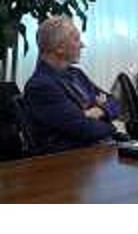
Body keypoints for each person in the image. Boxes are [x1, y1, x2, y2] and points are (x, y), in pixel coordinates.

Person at [23, 16, 120, 156]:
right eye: (76, 39)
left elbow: (115, 102)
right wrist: (110, 124)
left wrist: (98, 111)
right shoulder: (40, 86)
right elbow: (86, 129)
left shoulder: (76, 74)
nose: (82, 45)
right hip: (70, 161)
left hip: (98, 153)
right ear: (59, 48)